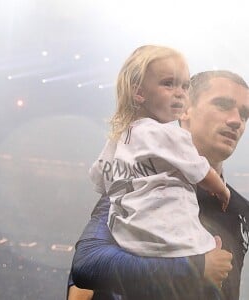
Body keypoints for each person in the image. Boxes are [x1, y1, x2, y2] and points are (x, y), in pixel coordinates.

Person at [68, 69, 249, 300]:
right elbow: (89, 265)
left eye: (244, 114)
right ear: (184, 110)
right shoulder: (139, 183)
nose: (236, 121)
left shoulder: (240, 208)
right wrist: (195, 267)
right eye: (223, 105)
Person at [89, 45, 229, 261]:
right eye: (168, 84)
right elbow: (202, 174)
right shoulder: (169, 134)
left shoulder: (117, 139)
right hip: (172, 241)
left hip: (127, 240)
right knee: (216, 248)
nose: (180, 93)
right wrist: (222, 190)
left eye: (185, 86)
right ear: (139, 93)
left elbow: (99, 178)